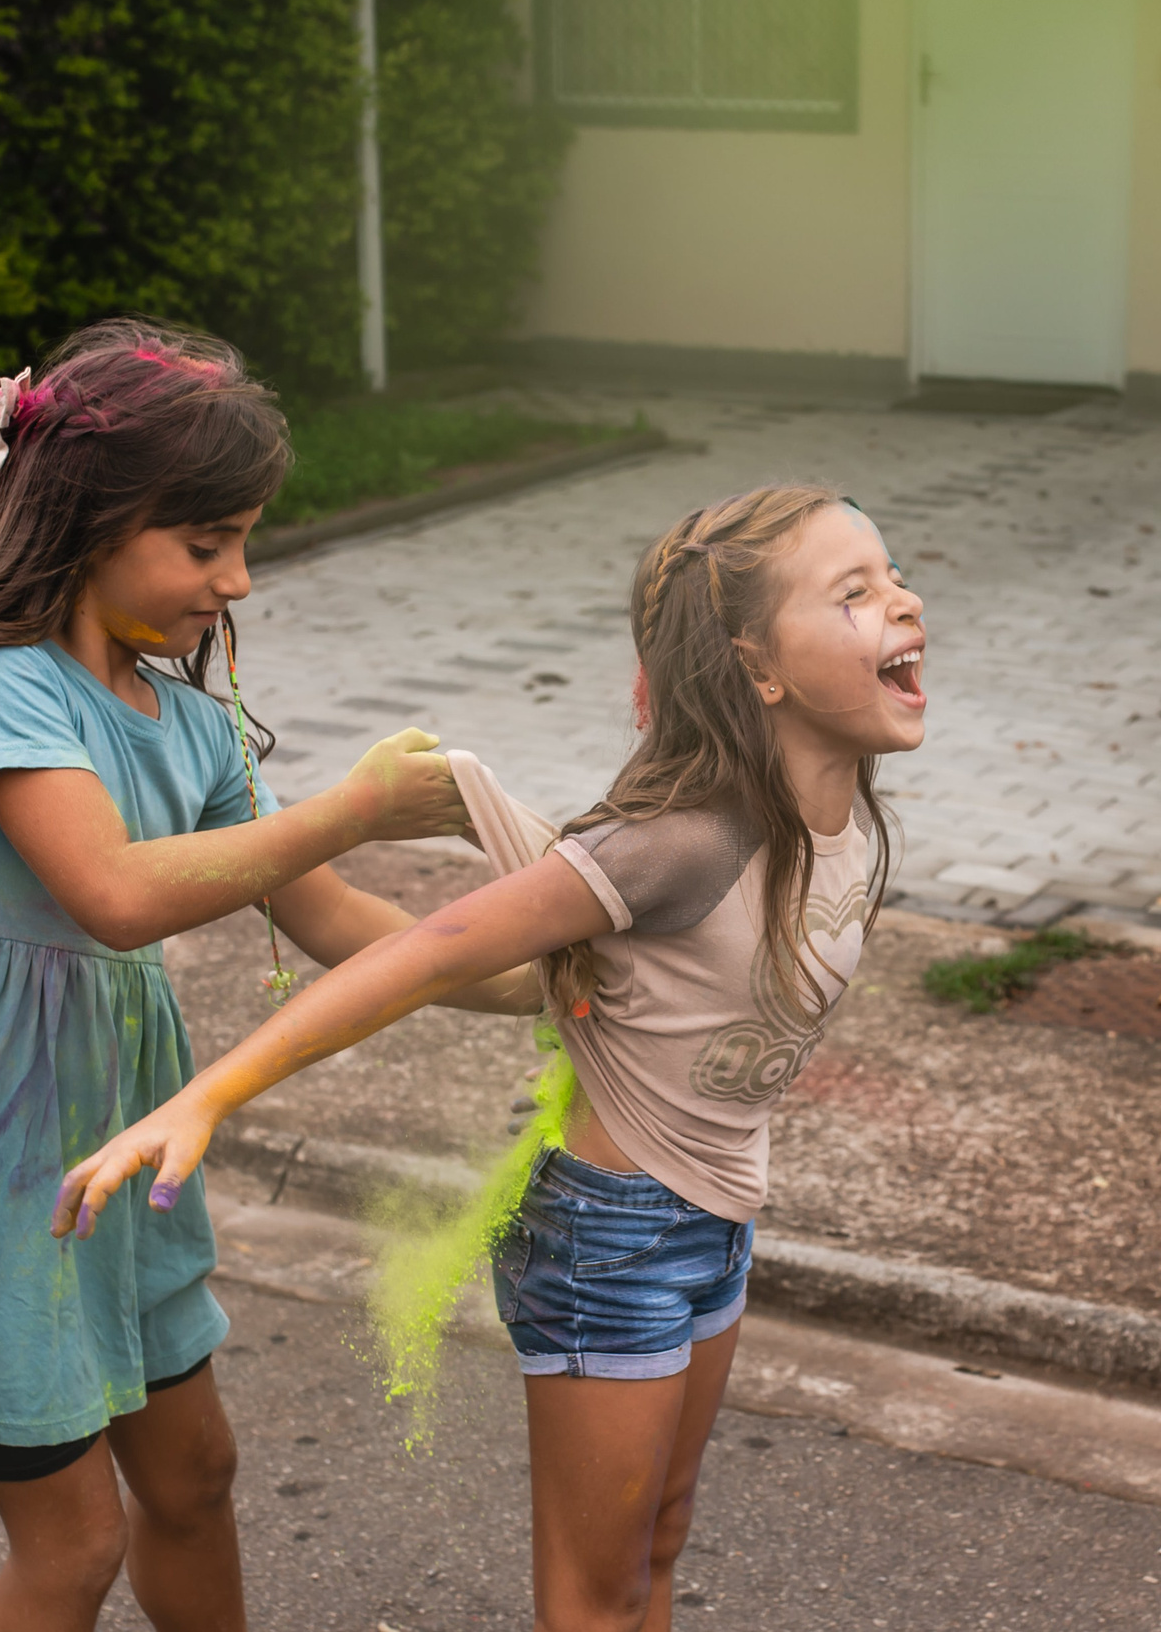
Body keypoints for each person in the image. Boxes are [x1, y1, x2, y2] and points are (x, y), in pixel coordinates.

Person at [55, 483, 930, 1632]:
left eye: (893, 574)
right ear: (758, 667)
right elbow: (423, 953)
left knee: (656, 1540)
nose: (902, 600)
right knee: (596, 1589)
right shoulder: (680, 842)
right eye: (853, 591)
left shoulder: (848, 819)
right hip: (609, 1242)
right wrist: (207, 1096)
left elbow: (597, 985)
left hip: (715, 1217)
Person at [0, 318, 537, 1632]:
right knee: (73, 1542)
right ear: (90, 517)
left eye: (245, 538)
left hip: (117, 1139)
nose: (239, 580)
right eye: (208, 542)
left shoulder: (189, 726)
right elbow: (116, 893)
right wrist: (357, 801)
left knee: (195, 1472)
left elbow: (345, 924)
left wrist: (552, 981)